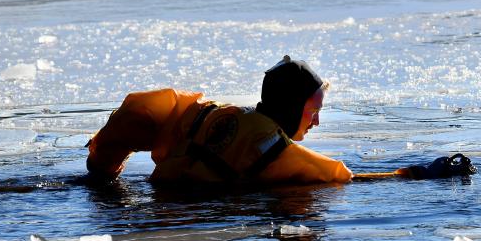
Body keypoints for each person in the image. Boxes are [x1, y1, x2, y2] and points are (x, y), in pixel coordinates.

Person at [86, 56, 353, 186]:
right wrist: (390, 177)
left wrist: (102, 166)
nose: (316, 122)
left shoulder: (214, 112)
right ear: (292, 107)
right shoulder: (268, 143)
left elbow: (141, 110)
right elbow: (334, 175)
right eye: (314, 111)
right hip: (183, 212)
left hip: (160, 193)